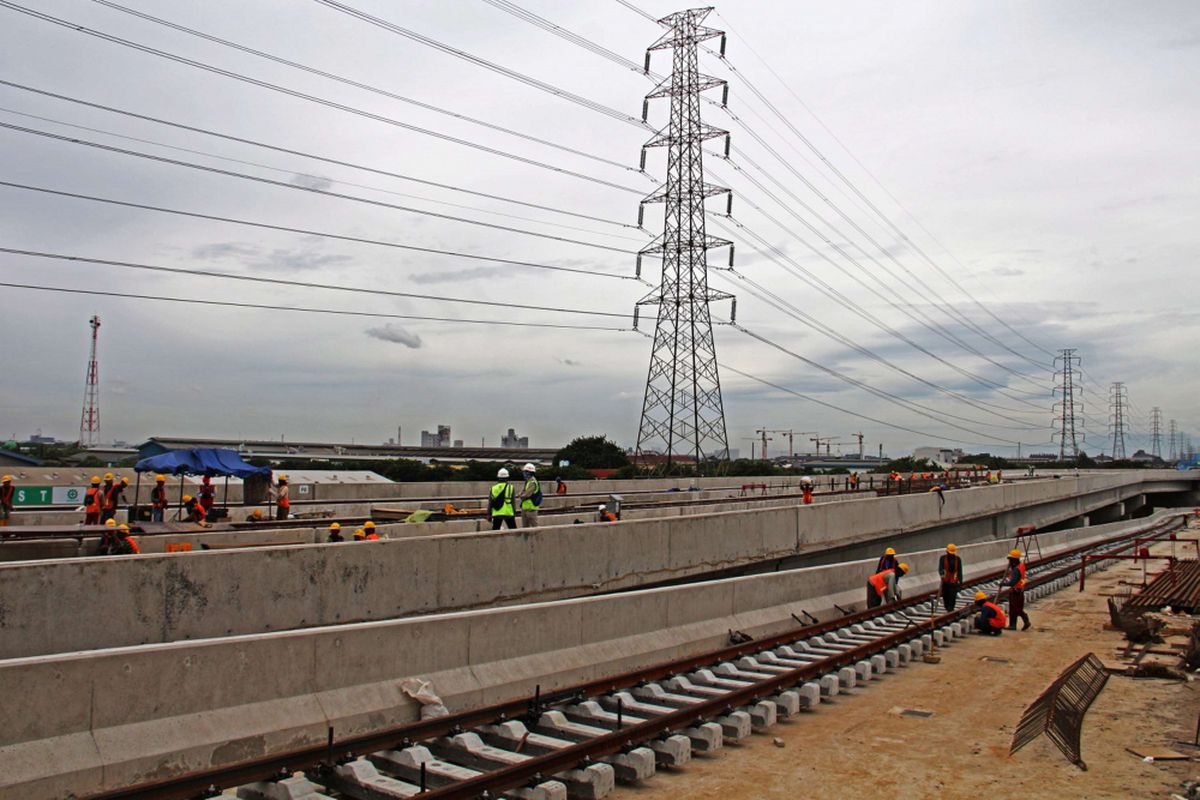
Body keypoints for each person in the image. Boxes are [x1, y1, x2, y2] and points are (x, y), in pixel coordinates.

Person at [1002, 549, 1031, 630]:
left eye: (1010, 559)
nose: (1009, 561)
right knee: (1017, 609)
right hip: (1020, 591)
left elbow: (1013, 582)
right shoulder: (1020, 566)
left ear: (1014, 560)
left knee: (1014, 610)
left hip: (1015, 592)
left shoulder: (1016, 570)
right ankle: (1020, 623)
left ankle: (1014, 625)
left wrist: (1003, 584)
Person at [939, 544, 964, 610]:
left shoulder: (958, 559)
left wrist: (960, 582)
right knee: (945, 597)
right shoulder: (942, 558)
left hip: (954, 582)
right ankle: (947, 608)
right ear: (947, 552)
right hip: (945, 582)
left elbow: (959, 571)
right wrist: (942, 575)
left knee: (952, 597)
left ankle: (951, 609)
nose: (951, 554)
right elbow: (940, 568)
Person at [518, 463, 542, 527]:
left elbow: (526, 495)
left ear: (529, 473)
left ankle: (538, 537)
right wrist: (521, 494)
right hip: (525, 508)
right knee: (525, 528)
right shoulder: (528, 481)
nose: (524, 474)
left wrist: (520, 495)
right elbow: (523, 492)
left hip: (531, 509)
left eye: (525, 472)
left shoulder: (532, 482)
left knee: (535, 527)